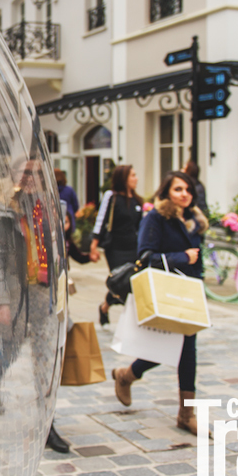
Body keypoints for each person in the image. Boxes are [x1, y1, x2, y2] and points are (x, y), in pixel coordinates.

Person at [0, 159, 68, 452]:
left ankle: (48, 425)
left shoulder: (54, 209)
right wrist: (0, 301)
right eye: (26, 172)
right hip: (15, 296)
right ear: (13, 176)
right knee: (11, 350)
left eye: (39, 173)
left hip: (45, 296)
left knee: (46, 361)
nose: (32, 178)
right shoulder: (3, 211)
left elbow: (63, 253)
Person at [111, 171, 206, 434]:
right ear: (166, 193)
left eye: (187, 189)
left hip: (189, 292)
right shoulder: (156, 217)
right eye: (178, 189)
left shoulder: (194, 219)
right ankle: (127, 376)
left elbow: (199, 258)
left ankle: (185, 414)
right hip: (166, 291)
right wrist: (181, 257)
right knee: (170, 347)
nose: (184, 193)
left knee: (186, 349)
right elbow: (145, 256)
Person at [89, 165, 144, 325]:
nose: (136, 178)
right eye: (133, 175)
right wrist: (94, 245)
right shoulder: (111, 197)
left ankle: (106, 307)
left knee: (132, 283)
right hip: (116, 248)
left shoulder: (137, 200)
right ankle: (117, 313)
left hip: (134, 248)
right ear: (123, 178)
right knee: (121, 281)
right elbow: (101, 220)